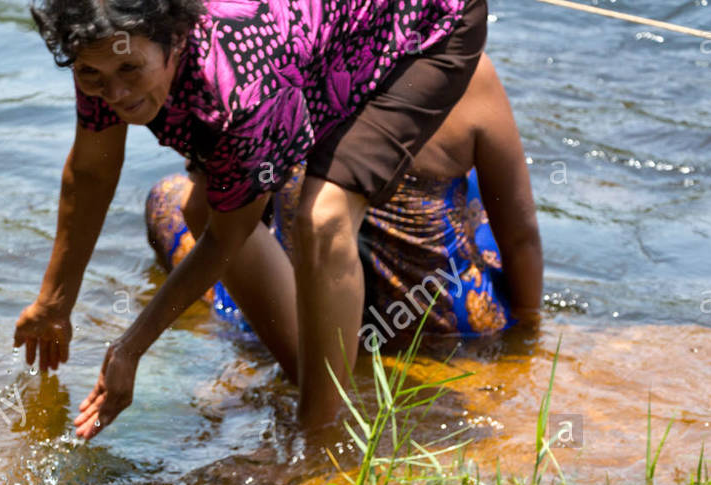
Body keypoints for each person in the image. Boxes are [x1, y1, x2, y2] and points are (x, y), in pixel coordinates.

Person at [15, 0, 490, 448]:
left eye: (130, 72)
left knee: (323, 217)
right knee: (200, 210)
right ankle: (313, 378)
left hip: (427, 21)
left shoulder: (240, 87)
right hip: (319, 29)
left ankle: (323, 440)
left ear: (176, 39)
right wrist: (54, 302)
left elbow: (230, 236)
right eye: (90, 76)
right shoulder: (105, 47)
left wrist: (130, 348)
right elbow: (93, 169)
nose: (114, 95)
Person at [145, 52, 542, 355]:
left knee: (169, 195)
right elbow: (521, 234)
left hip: (303, 321)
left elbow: (224, 199)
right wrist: (528, 332)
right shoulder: (464, 68)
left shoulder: (267, 57)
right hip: (438, 321)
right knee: (479, 192)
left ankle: (236, 327)